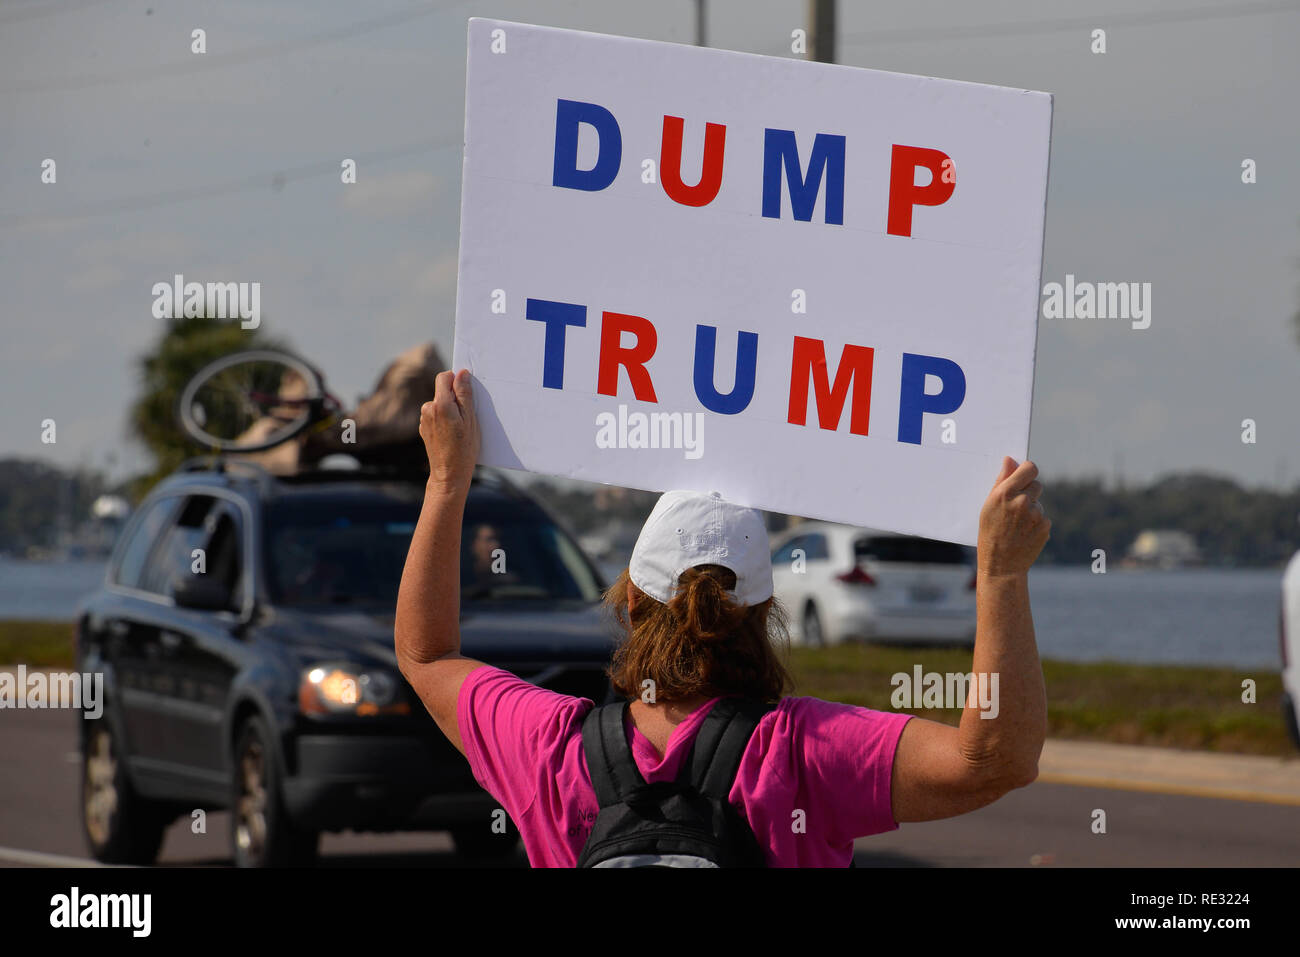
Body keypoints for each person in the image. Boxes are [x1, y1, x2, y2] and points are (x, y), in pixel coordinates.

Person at [395, 370, 1051, 867]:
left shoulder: (553, 748)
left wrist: (448, 480)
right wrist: (1000, 574)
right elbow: (996, 761)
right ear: (764, 613)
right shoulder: (800, 752)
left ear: (630, 605)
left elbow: (425, 655)